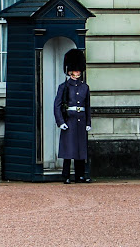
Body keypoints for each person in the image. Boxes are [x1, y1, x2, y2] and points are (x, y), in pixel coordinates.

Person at [53, 48, 92, 184]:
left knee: (81, 150)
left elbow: (87, 106)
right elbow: (57, 105)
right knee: (68, 150)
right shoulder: (64, 86)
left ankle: (80, 175)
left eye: (79, 70)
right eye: (76, 70)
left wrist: (88, 122)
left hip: (80, 120)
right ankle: (66, 175)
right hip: (69, 120)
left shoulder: (84, 87)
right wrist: (60, 121)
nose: (78, 72)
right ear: (70, 71)